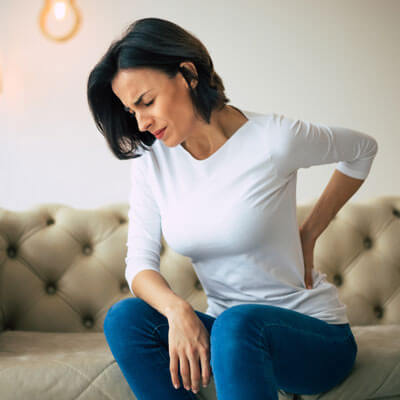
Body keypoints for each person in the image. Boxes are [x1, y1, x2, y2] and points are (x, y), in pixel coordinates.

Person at [87, 17, 378, 400]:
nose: (142, 122)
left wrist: (309, 233)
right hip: (230, 338)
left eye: (146, 102)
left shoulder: (274, 139)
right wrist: (177, 311)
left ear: (187, 74)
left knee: (238, 323)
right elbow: (138, 266)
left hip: (313, 336)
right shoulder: (153, 162)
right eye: (131, 111)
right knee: (126, 319)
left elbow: (362, 150)